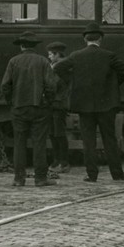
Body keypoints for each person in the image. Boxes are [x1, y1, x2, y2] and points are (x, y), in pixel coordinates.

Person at [54, 22, 124, 183]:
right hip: (106, 104)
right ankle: (117, 174)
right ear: (100, 39)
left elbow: (58, 68)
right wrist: (113, 85)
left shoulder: (76, 56)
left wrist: (73, 83)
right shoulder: (109, 55)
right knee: (109, 139)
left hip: (84, 105)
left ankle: (91, 175)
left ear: (85, 39)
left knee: (88, 141)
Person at [0, 31, 57, 187]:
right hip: (39, 107)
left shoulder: (13, 61)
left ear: (21, 46)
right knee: (39, 142)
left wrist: (11, 101)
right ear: (34, 46)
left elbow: (5, 85)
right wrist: (48, 102)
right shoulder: (43, 61)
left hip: (19, 107)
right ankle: (40, 178)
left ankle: (19, 178)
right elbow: (51, 86)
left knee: (19, 142)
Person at [47, 42, 71, 175]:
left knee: (59, 133)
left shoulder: (61, 67)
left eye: (51, 54)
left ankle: (63, 162)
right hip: (54, 103)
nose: (49, 57)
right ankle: (58, 160)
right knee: (53, 133)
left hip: (58, 103)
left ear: (57, 54)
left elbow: (54, 84)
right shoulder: (55, 66)